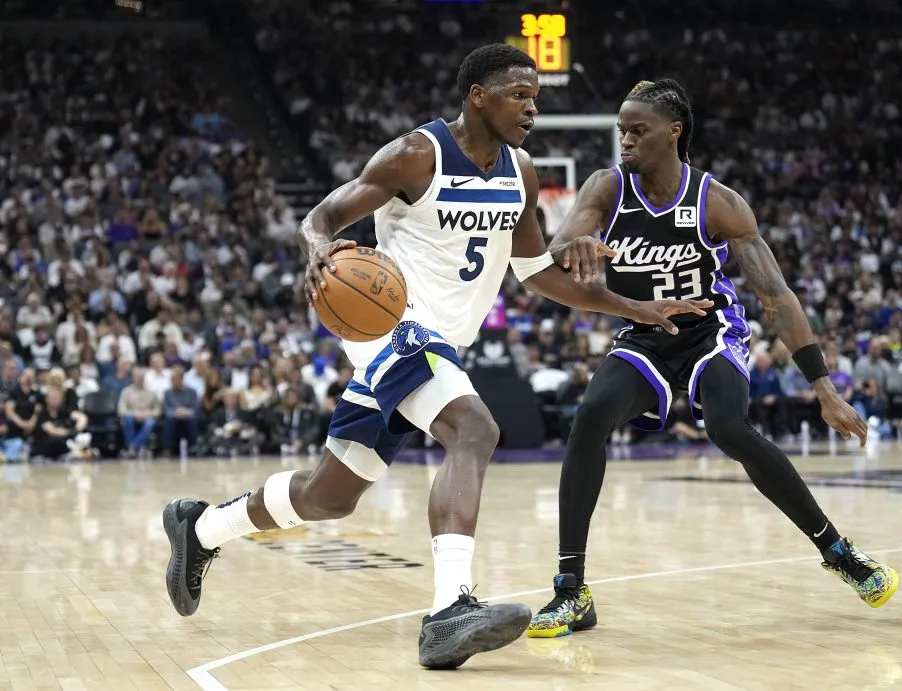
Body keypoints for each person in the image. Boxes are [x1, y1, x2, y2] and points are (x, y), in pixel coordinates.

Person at [161, 47, 706, 670]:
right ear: (477, 95)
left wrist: (632, 308)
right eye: (518, 94)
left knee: (330, 496)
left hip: (440, 343)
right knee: (474, 428)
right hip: (389, 325)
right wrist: (317, 247)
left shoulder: (522, 171)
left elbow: (534, 272)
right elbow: (325, 215)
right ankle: (450, 608)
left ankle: (200, 528)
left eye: (535, 96)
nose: (532, 106)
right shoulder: (416, 154)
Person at [525, 79, 898, 639]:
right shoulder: (607, 186)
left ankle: (840, 552)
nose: (625, 140)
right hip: (645, 329)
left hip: (709, 330)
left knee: (728, 427)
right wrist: (569, 246)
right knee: (588, 420)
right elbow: (560, 245)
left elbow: (777, 298)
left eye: (638, 130)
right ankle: (570, 589)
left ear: (673, 132)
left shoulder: (717, 202)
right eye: (621, 130)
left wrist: (824, 389)